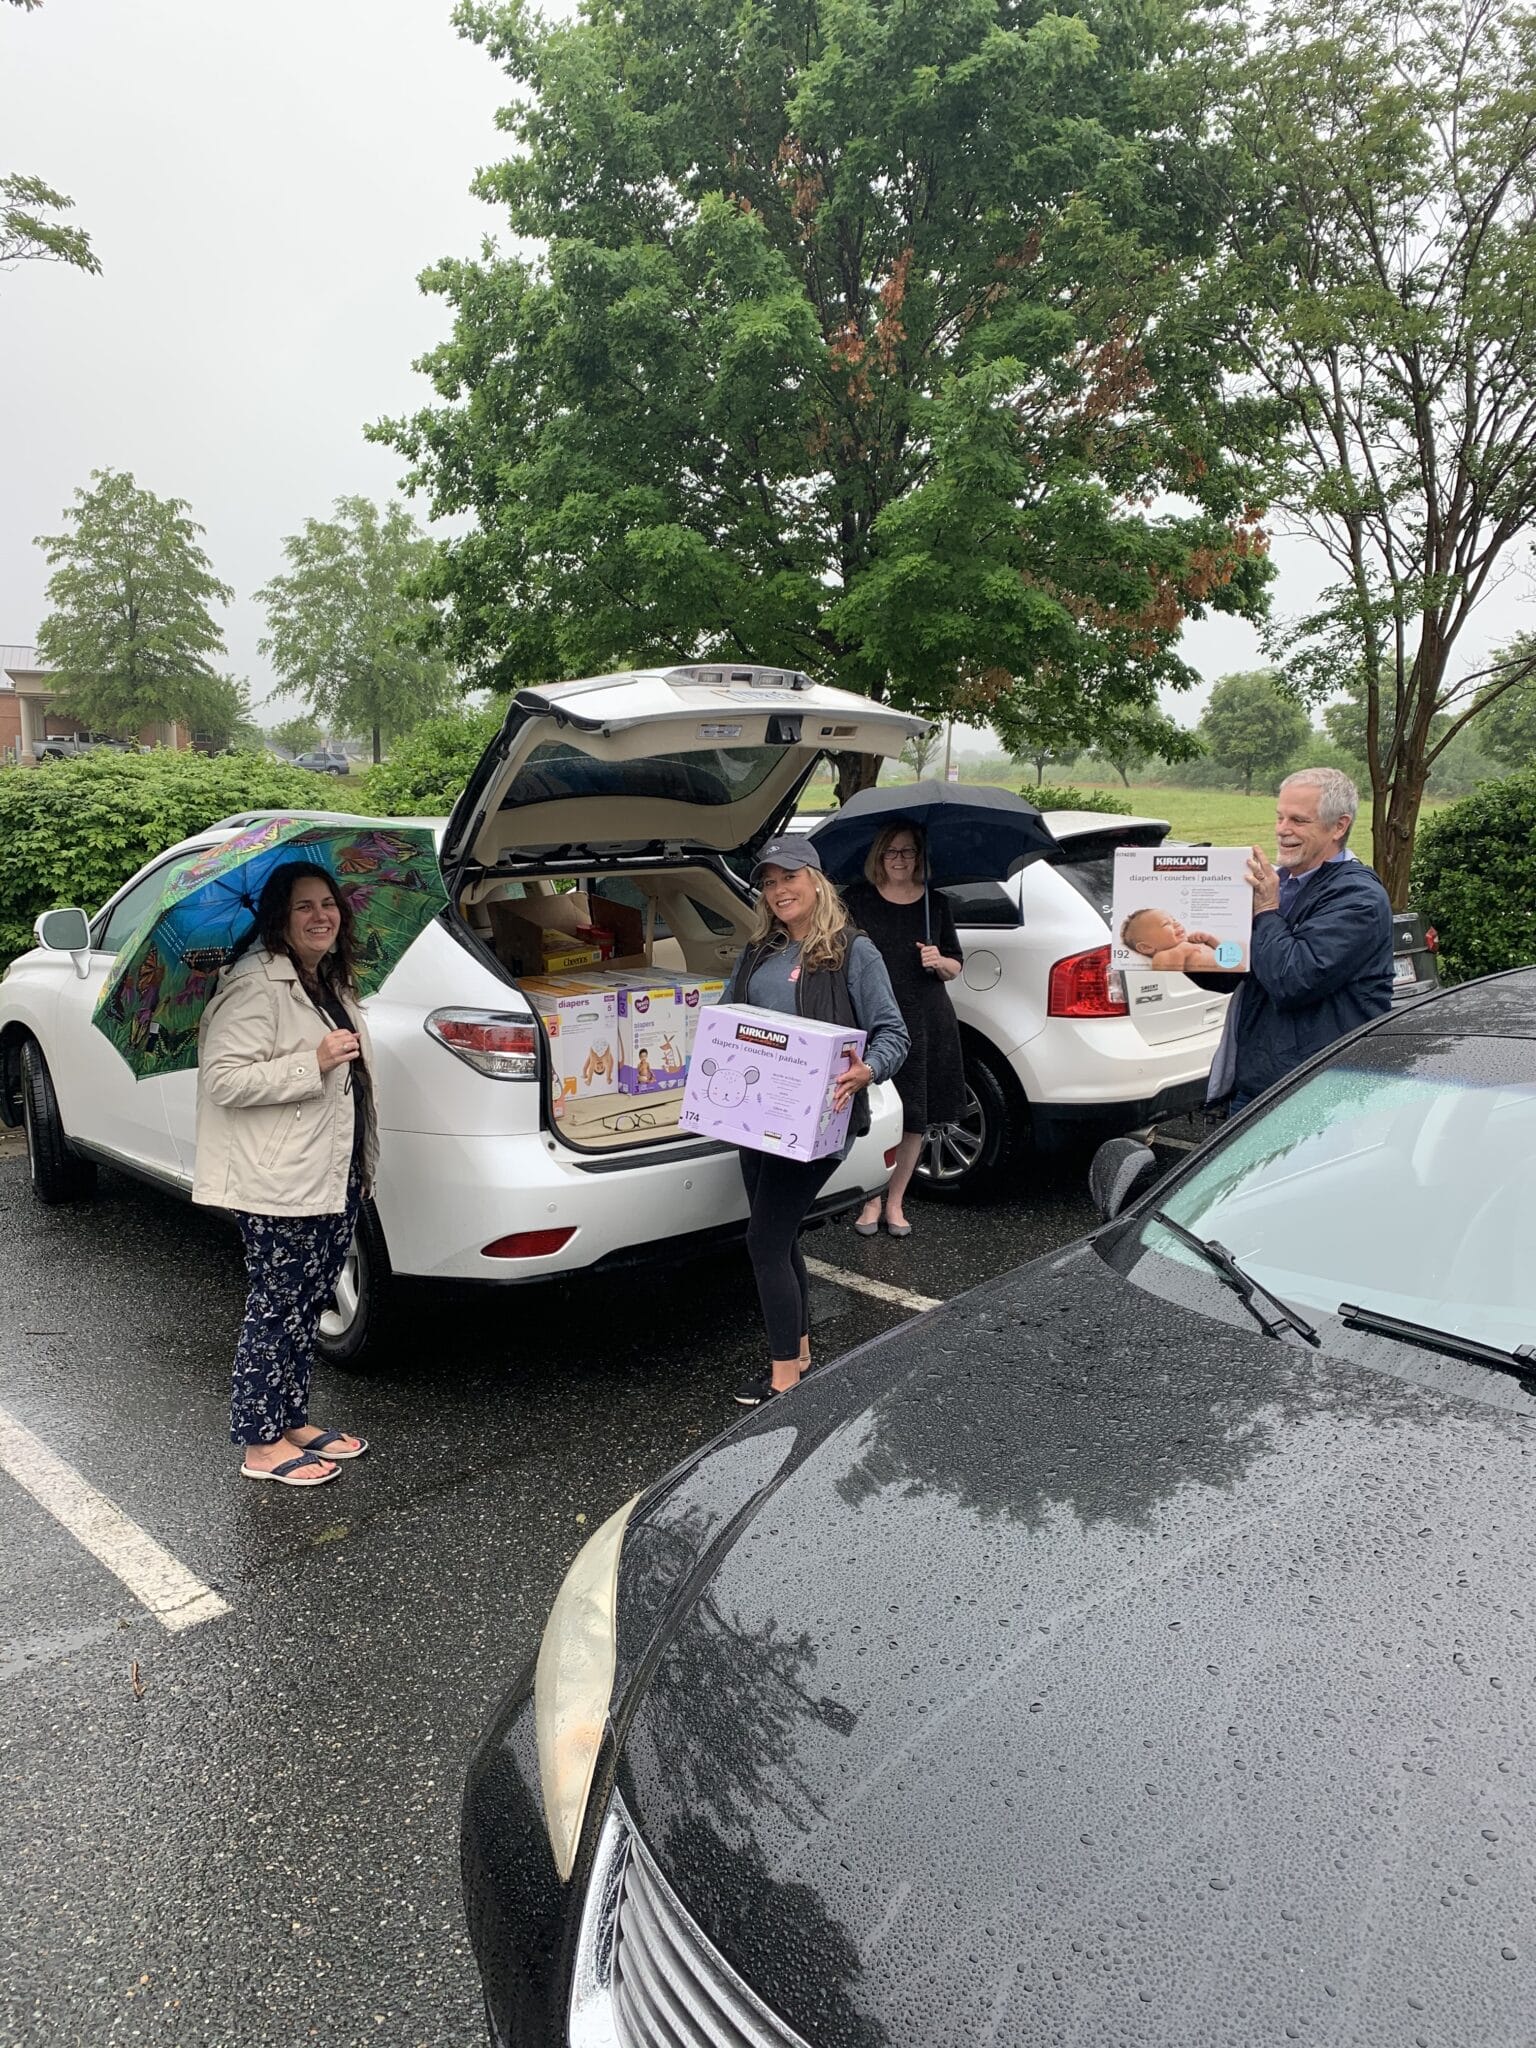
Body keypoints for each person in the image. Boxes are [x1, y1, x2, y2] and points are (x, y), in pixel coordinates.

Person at [193, 862, 377, 1487]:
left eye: (328, 903)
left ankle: (291, 1419)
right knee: (276, 1307)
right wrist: (312, 1061)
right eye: (304, 907)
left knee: (306, 1304)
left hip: (331, 1173)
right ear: (279, 917)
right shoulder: (256, 985)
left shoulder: (325, 981)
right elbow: (223, 1079)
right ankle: (259, 1443)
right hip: (281, 1182)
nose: (322, 915)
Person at [725, 835, 909, 1406]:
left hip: (817, 1123)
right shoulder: (760, 950)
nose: (779, 890)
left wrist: (866, 1072)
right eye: (769, 882)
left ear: (816, 881)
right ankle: (798, 1349)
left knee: (763, 1241)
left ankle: (783, 1379)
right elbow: (729, 1016)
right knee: (778, 1239)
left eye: (790, 878)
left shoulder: (854, 951)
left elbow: (894, 1034)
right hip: (756, 1118)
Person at [1195, 768, 1394, 1113]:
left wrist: (1268, 910)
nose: (1282, 830)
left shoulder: (1358, 898)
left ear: (1339, 826)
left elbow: (1292, 979)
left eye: (1299, 820)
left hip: (1318, 1094)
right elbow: (1236, 972)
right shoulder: (1277, 885)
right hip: (1258, 1084)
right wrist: (1186, 953)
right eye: (1280, 817)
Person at [842, 822, 966, 1238]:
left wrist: (939, 961)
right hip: (870, 1019)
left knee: (914, 1115)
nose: (899, 859)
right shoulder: (857, 900)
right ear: (879, 856)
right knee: (872, 1111)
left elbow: (955, 966)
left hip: (925, 1020)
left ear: (919, 857)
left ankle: (895, 1201)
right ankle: (870, 1199)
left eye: (908, 851)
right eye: (892, 852)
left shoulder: (937, 905)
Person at [1119, 907, 1225, 973]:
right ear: (1146, 947)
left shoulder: (1193, 942)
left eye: (1174, 919)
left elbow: (1226, 955)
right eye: (1166, 923)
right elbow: (1170, 976)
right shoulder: (1163, 956)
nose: (1176, 923)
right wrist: (1180, 951)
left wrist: (1210, 940)